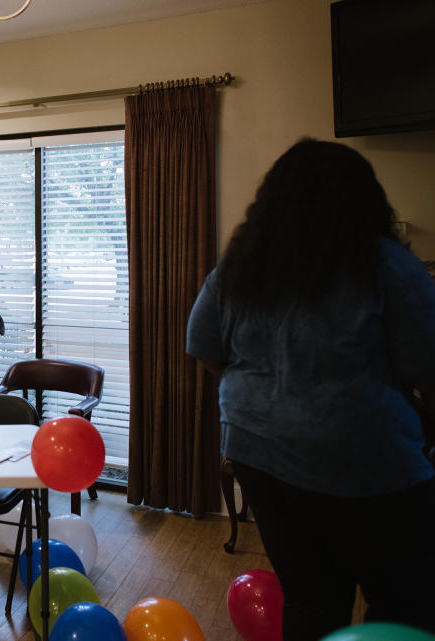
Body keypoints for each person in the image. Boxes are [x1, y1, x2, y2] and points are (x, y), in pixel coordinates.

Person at [186, 139, 435, 640]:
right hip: (362, 461)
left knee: (311, 599)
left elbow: (204, 348)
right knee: (405, 603)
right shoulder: (384, 264)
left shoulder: (238, 268)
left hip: (257, 454)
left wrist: (260, 398)